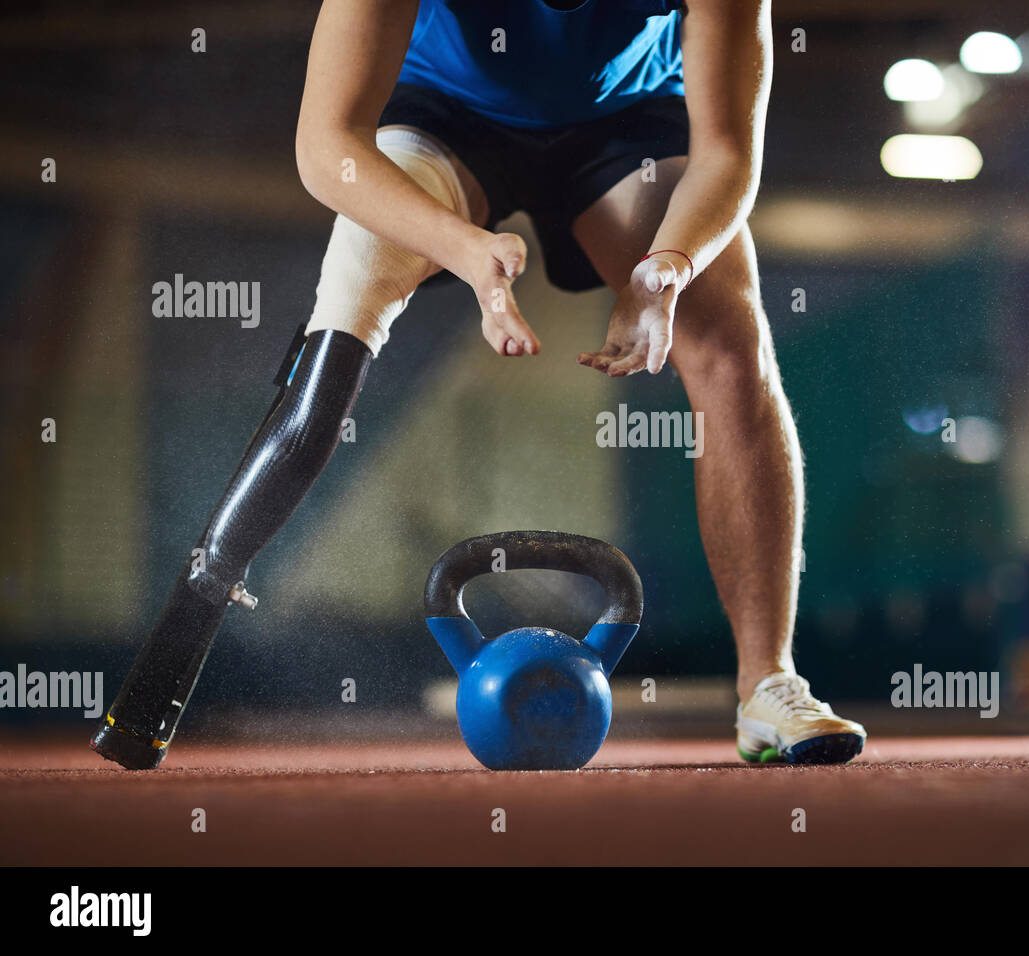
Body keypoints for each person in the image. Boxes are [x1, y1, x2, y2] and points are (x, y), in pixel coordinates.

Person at [92, 0, 864, 770]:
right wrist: (463, 250)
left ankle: (768, 683)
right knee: (351, 299)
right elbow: (326, 148)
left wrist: (666, 271)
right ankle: (186, 626)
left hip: (628, 123)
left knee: (731, 346)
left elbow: (727, 156)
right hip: (444, 117)